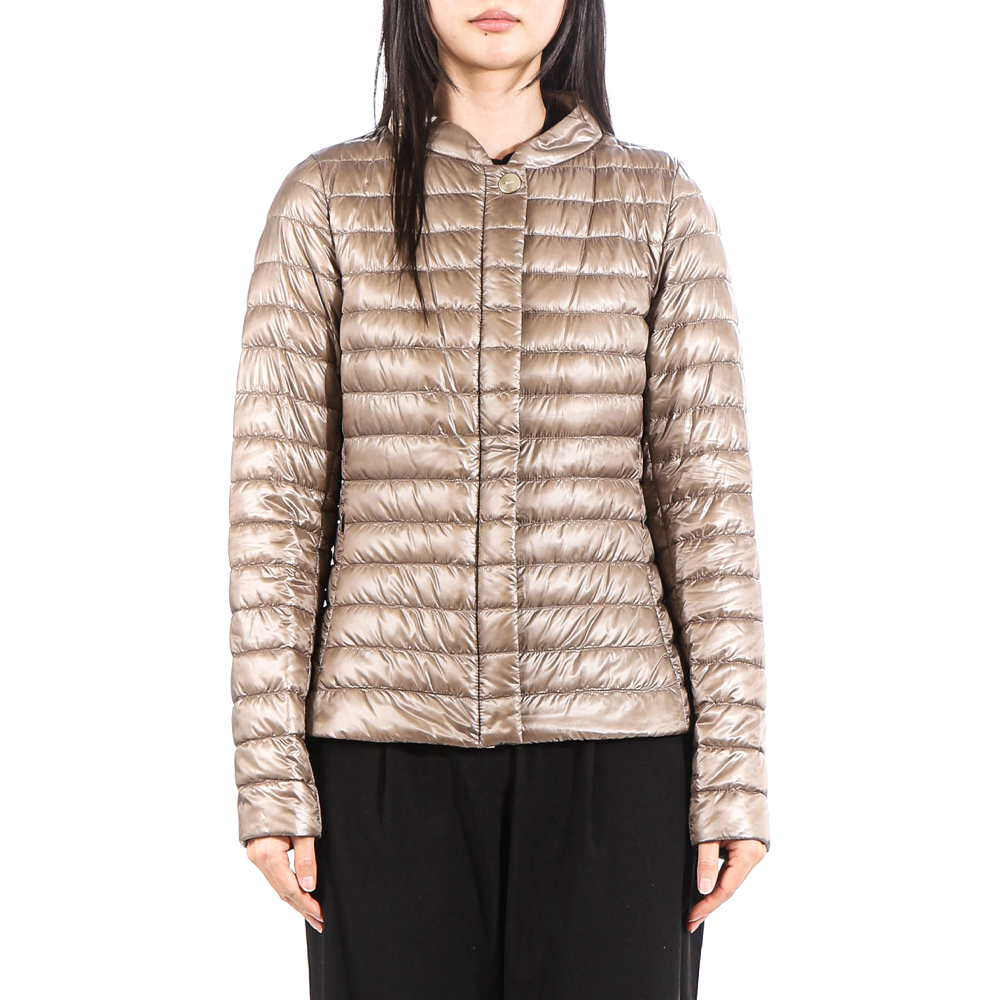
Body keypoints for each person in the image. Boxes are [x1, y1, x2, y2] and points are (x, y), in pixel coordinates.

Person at [227, 2, 769, 997]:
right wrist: (270, 773)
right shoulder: (326, 203)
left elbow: (708, 509)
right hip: (382, 757)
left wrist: (733, 771)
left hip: (618, 756)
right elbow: (277, 512)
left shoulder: (658, 204)